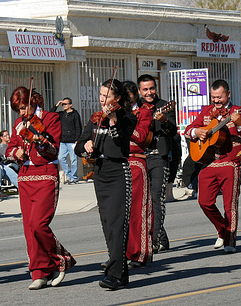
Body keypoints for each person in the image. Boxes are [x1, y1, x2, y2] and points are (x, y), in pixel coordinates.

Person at [5, 87, 76, 290]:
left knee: (38, 224)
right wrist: (16, 152)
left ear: (34, 101)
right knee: (29, 229)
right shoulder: (19, 124)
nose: (22, 113)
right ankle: (39, 272)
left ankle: (61, 260)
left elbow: (53, 149)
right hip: (25, 177)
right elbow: (10, 149)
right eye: (18, 110)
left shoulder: (50, 118)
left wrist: (38, 139)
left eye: (25, 107)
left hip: (45, 174)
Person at [75, 78, 136, 290]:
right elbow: (78, 147)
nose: (102, 99)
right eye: (100, 95)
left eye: (106, 96)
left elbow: (120, 142)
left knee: (118, 225)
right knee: (108, 225)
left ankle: (114, 274)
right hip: (100, 172)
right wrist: (86, 145)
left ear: (117, 98)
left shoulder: (126, 117)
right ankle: (121, 274)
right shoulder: (94, 119)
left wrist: (112, 121)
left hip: (118, 171)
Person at [185, 79, 241, 254]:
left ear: (228, 94)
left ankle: (230, 240)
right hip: (209, 162)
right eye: (213, 97)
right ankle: (222, 229)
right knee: (204, 201)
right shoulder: (206, 111)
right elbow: (188, 129)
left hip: (230, 161)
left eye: (219, 97)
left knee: (230, 204)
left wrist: (238, 123)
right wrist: (196, 132)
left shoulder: (237, 111)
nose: (216, 101)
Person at [137, 74, 178, 253]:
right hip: (139, 157)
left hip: (159, 157)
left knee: (156, 197)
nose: (149, 92)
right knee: (142, 200)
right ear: (139, 91)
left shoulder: (164, 106)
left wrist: (163, 120)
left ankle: (154, 240)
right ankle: (162, 238)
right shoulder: (136, 108)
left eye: (152, 88)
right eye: (145, 89)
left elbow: (172, 131)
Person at [122, 81, 153, 268]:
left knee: (137, 211)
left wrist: (123, 123)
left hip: (135, 161)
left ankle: (139, 253)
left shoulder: (144, 112)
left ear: (134, 95)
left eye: (127, 96)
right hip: (117, 163)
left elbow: (141, 136)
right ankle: (119, 253)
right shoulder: (116, 113)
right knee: (118, 213)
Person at [50, 97, 83, 184]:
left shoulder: (75, 114)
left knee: (73, 159)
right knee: (61, 158)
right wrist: (56, 105)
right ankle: (69, 175)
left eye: (65, 104)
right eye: (63, 104)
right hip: (63, 141)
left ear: (70, 105)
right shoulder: (61, 114)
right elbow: (50, 114)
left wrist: (77, 139)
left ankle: (74, 177)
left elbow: (78, 127)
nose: (64, 106)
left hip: (72, 141)